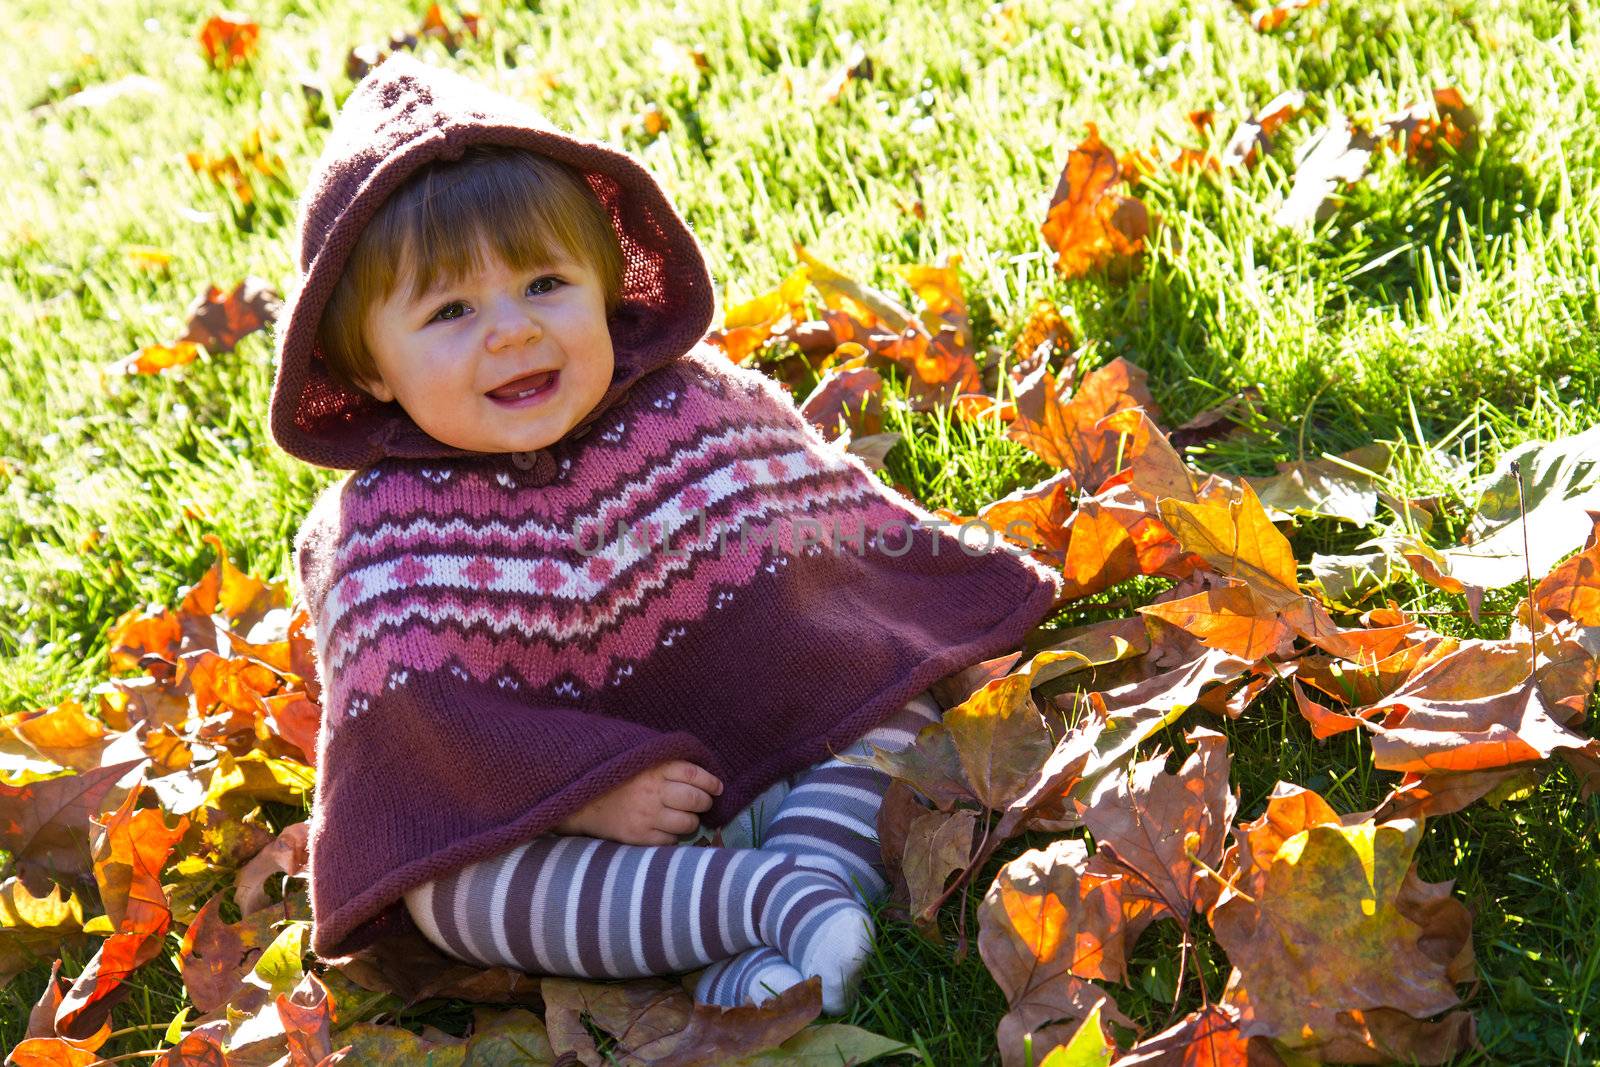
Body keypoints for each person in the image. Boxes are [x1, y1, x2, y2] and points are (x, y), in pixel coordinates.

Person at [267, 52, 1063, 1014]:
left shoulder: (695, 408)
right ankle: (760, 903)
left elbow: (831, 584)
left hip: (786, 749)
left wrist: (871, 652)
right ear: (371, 367)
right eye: (450, 310)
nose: (513, 332)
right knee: (448, 889)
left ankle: (770, 941)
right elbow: (429, 747)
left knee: (894, 703)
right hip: (586, 847)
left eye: (546, 283)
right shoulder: (376, 536)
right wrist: (583, 795)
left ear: (607, 286)